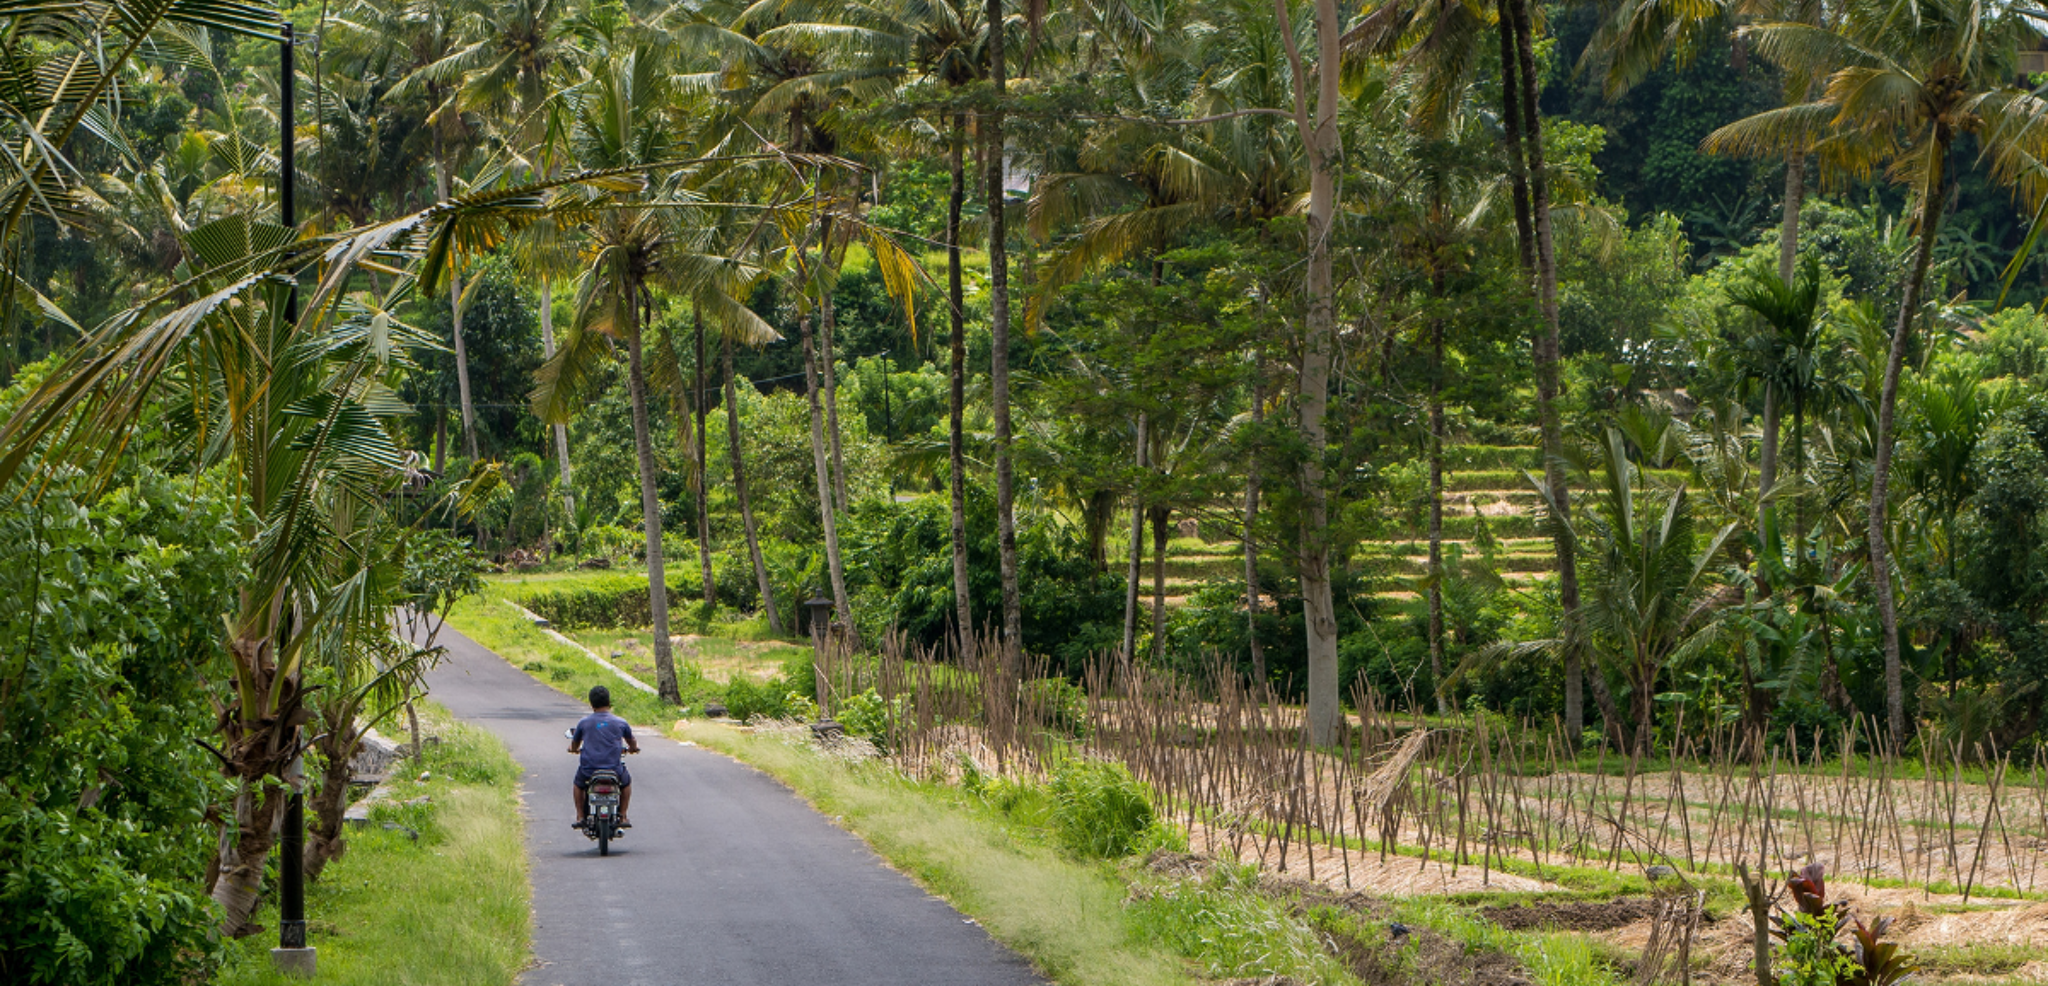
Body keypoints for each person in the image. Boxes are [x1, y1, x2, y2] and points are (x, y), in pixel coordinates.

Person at [568, 685, 639, 830]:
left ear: (591, 703)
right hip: (614, 770)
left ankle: (580, 816)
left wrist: (573, 749)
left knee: (578, 784)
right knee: (626, 783)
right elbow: (632, 741)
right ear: (609, 702)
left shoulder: (584, 723)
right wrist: (633, 749)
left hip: (589, 770)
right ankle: (623, 815)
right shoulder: (621, 722)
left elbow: (575, 743)